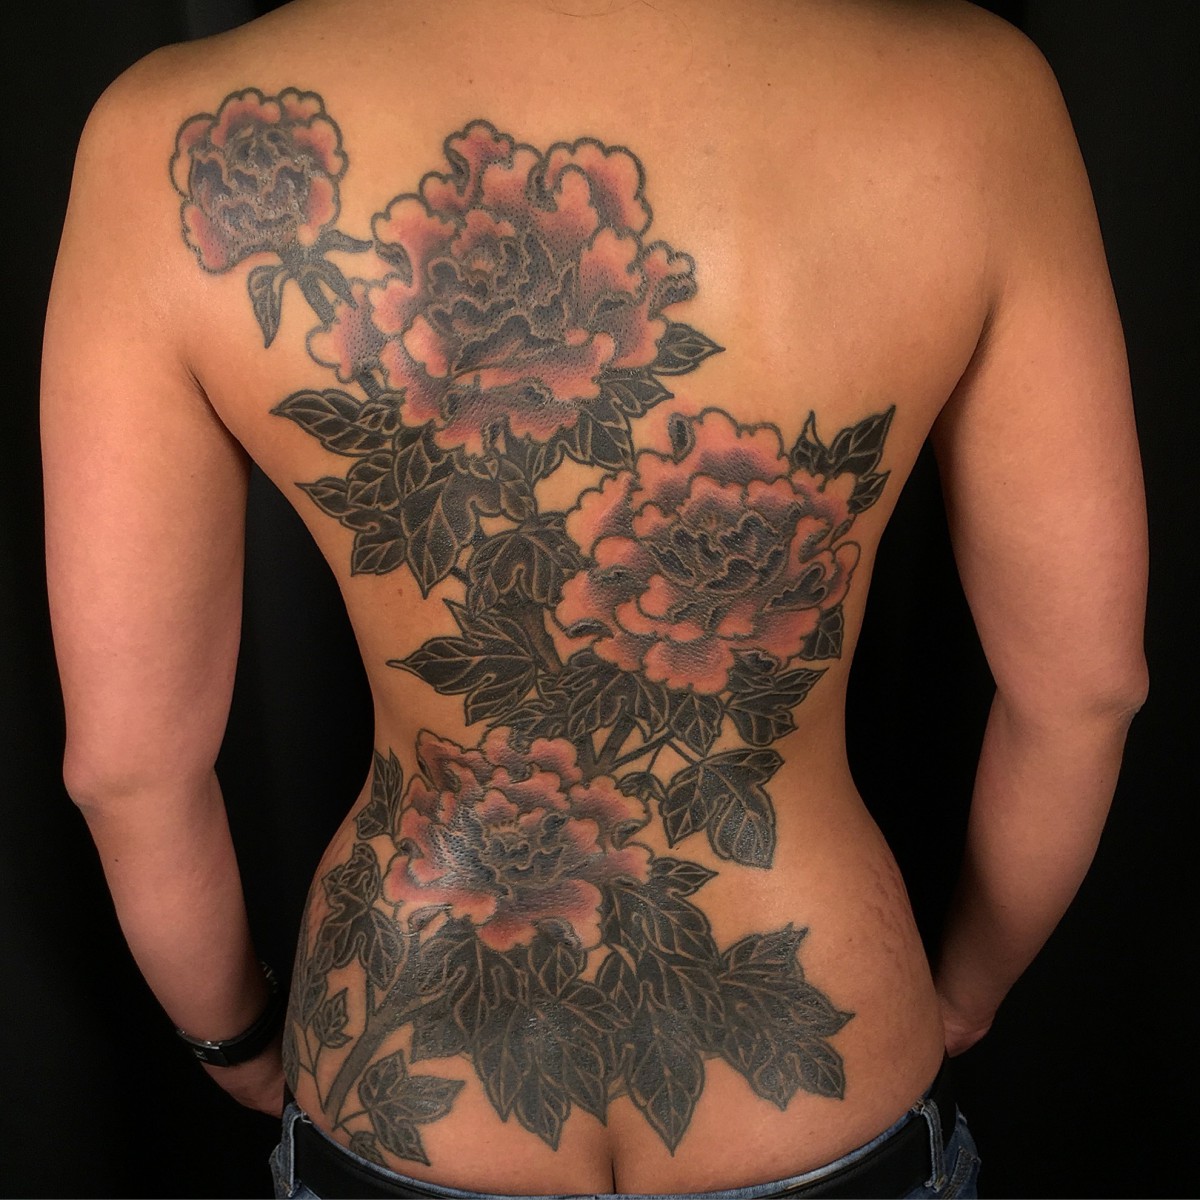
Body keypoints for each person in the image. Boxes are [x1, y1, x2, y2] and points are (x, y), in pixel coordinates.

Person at [41, 1, 1148, 1196]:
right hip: (833, 1074)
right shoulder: (975, 101)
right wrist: (966, 992)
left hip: (399, 1061)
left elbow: (130, 772)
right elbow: (1083, 693)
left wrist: (236, 1039)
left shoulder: (167, 140)